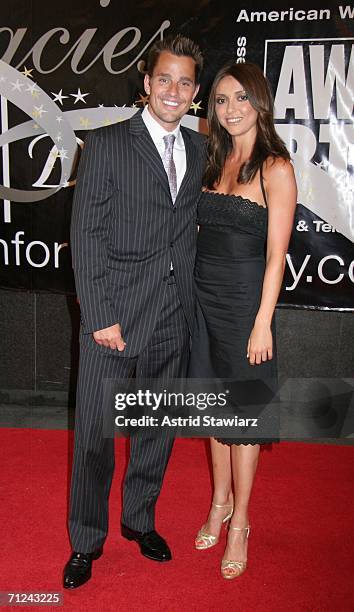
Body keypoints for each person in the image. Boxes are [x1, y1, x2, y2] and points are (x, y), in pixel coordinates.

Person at [64, 34, 205, 589]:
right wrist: (99, 314)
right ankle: (85, 540)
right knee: (96, 436)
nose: (174, 90)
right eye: (164, 79)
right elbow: (87, 234)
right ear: (146, 84)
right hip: (113, 317)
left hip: (173, 315)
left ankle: (139, 520)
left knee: (156, 427)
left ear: (194, 92)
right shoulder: (105, 145)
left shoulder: (197, 150)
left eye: (185, 82)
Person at [188, 61, 297, 579]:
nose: (230, 109)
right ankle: (218, 501)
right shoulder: (213, 162)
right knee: (214, 411)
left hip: (245, 309)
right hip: (202, 304)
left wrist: (262, 323)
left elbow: (277, 257)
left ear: (260, 103)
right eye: (222, 101)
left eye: (240, 99)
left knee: (244, 419)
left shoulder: (275, 167)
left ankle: (241, 523)